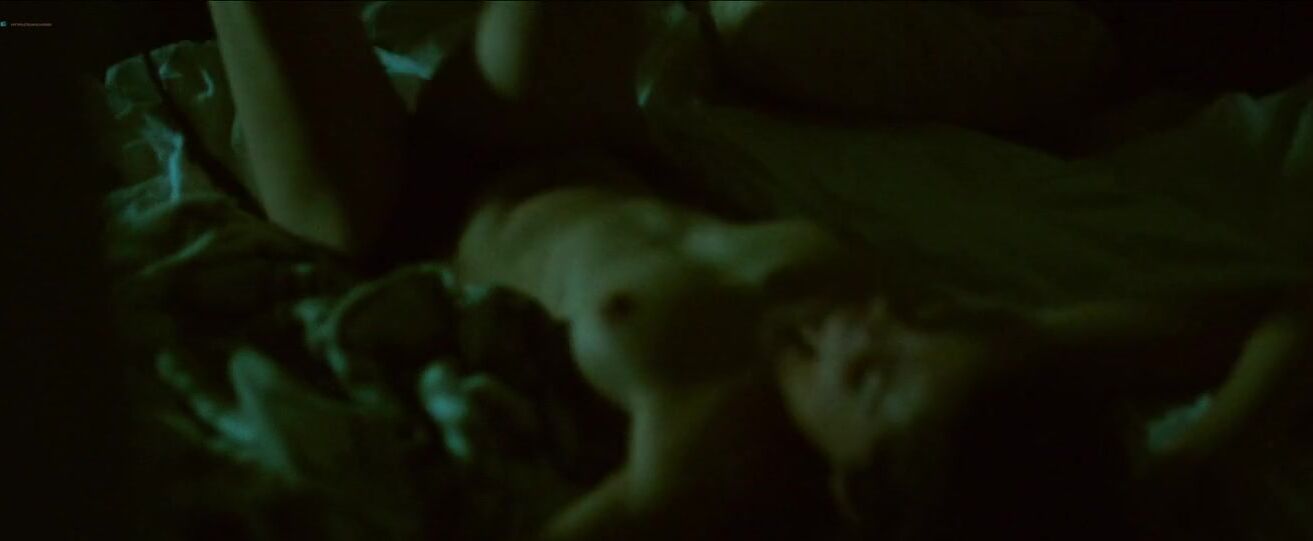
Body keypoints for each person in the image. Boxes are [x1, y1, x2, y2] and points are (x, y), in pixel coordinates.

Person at [209, 2, 1310, 539]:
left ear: (855, 488)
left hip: (391, 214)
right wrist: (1201, 456)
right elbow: (1284, 306)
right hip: (567, 136)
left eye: (868, 377)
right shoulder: (979, 373)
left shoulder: (714, 460)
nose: (874, 327)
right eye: (920, 323)